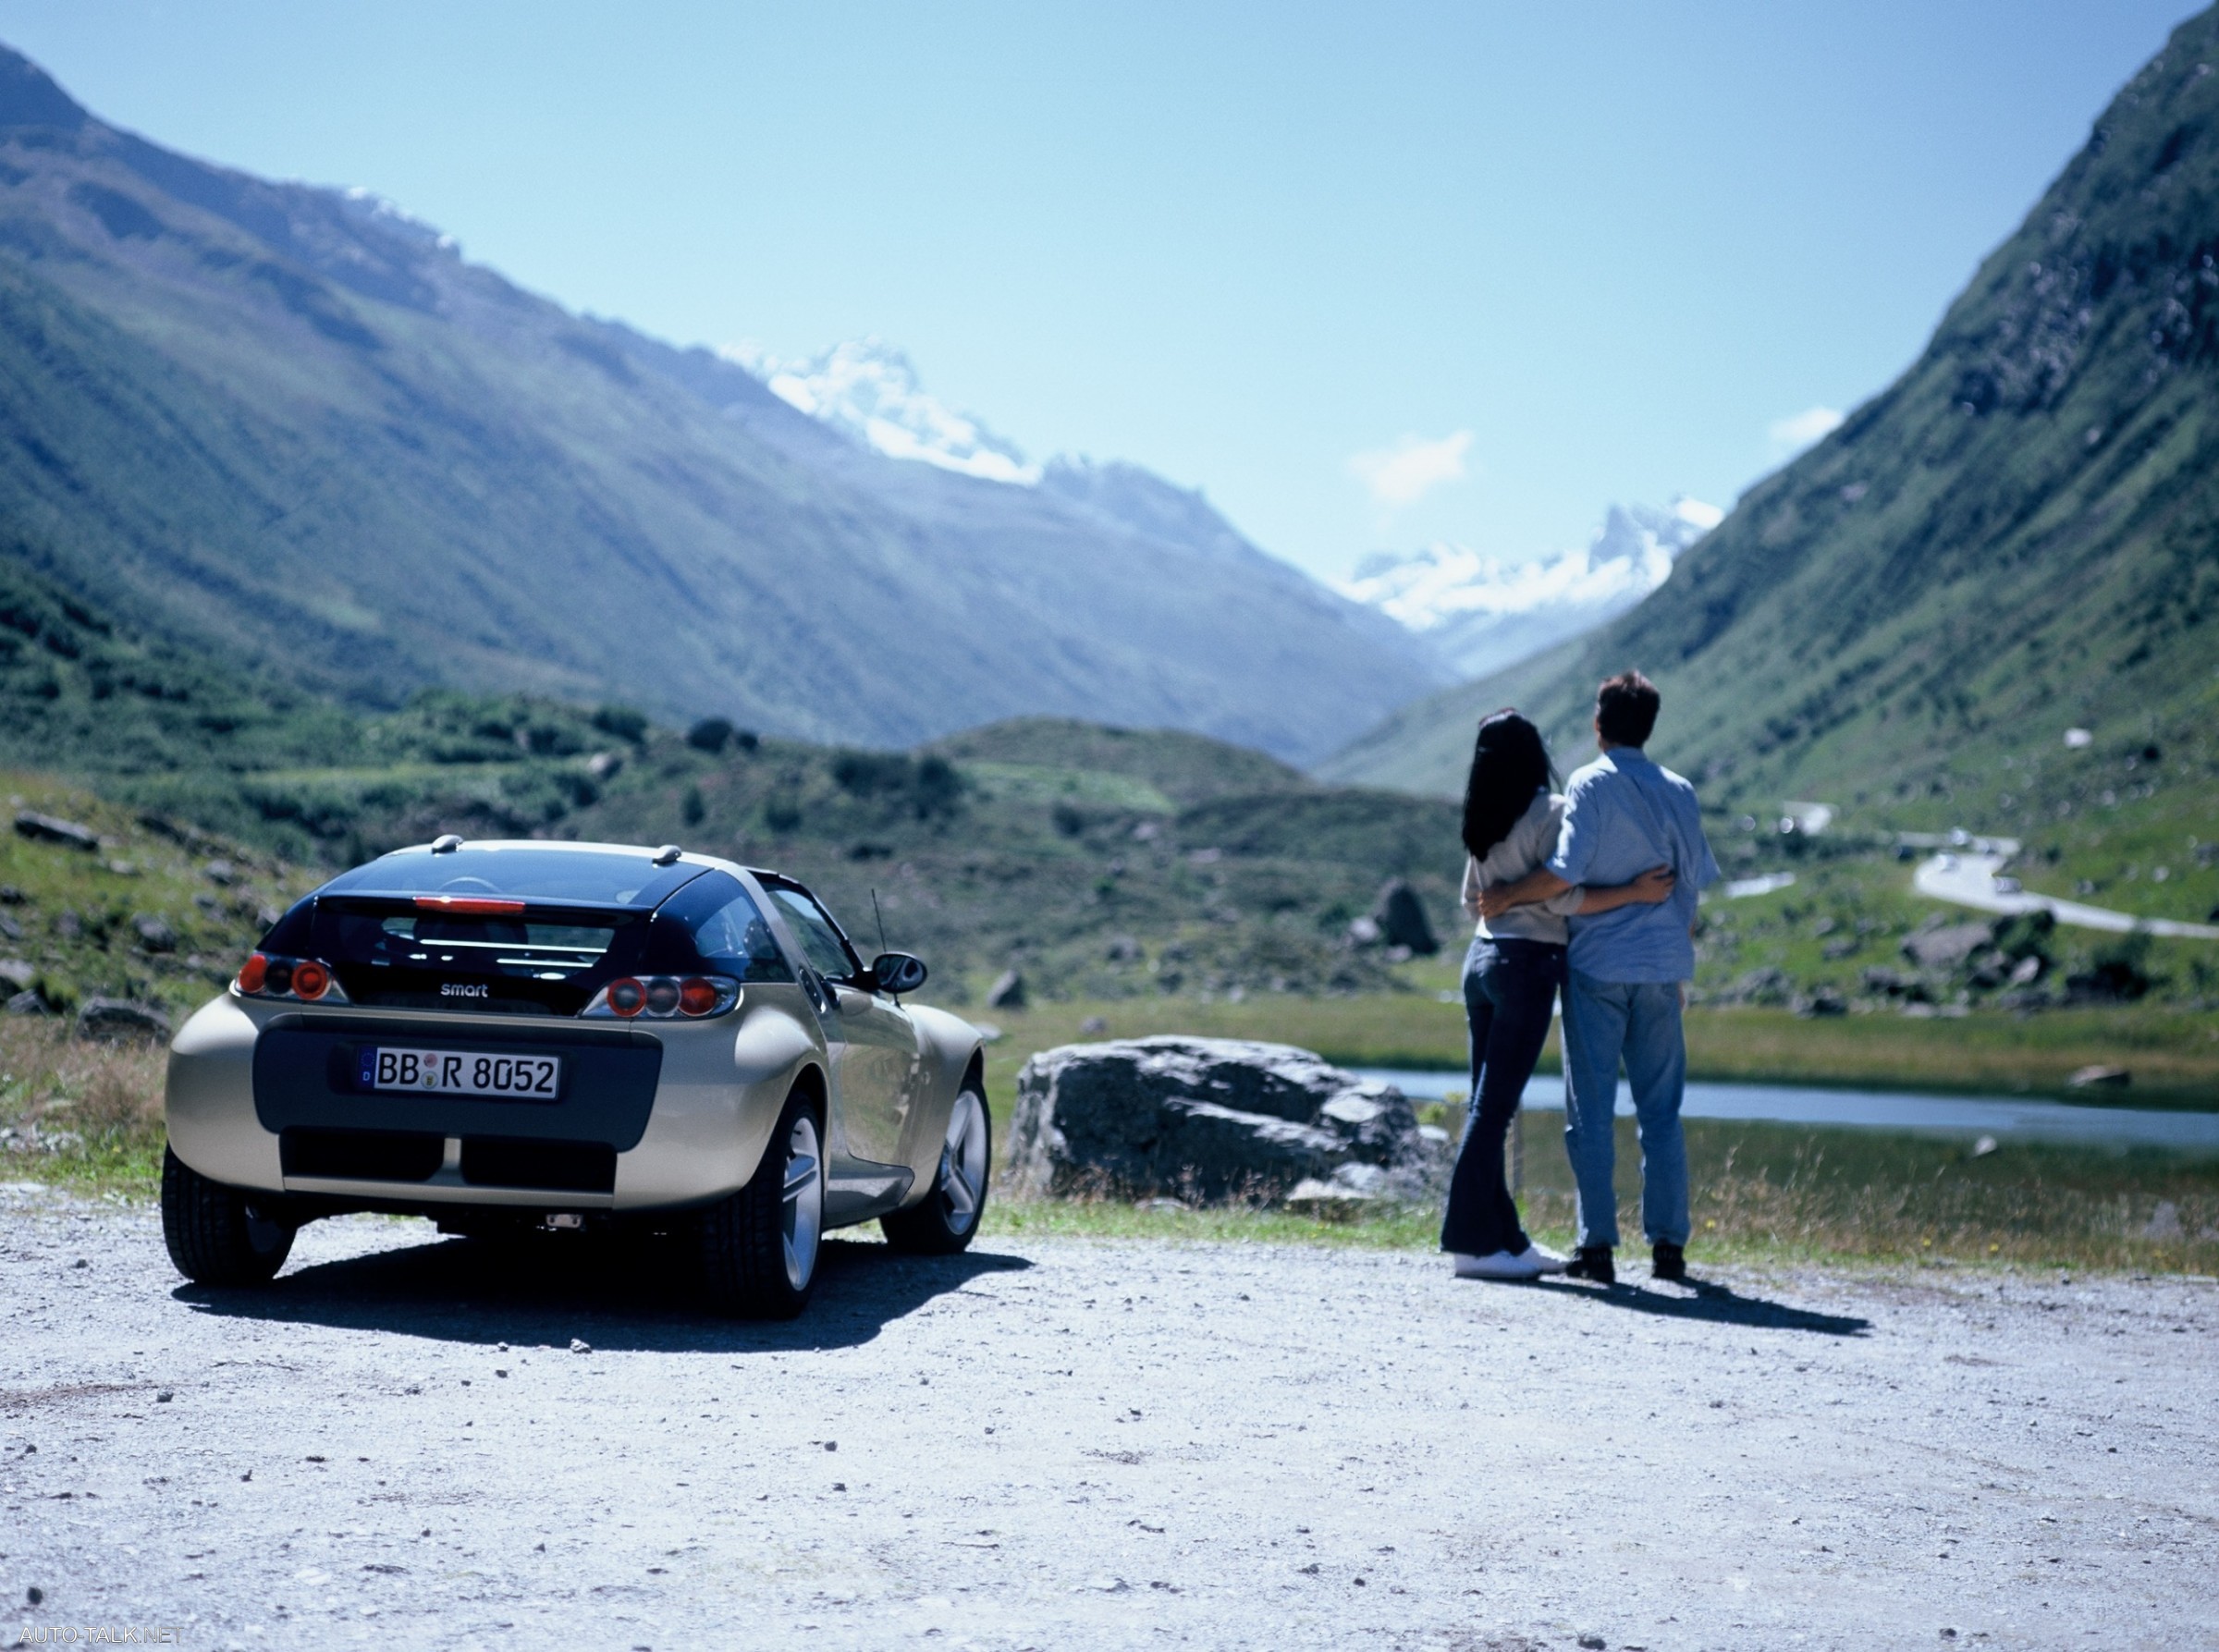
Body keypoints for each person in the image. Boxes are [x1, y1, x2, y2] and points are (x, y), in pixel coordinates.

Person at [1479, 671, 1719, 1286]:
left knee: (1590, 1110)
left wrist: (1505, 895)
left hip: (1597, 969)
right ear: (1650, 725)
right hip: (1664, 969)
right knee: (1661, 1112)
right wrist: (1675, 956)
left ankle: (1599, 1246)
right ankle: (1669, 1248)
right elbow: (1689, 890)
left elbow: (1562, 877)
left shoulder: (1589, 784)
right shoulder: (1681, 791)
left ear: (1599, 724)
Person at [1442, 710, 1678, 1282]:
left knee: (1486, 1105)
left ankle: (1507, 1241)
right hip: (1526, 965)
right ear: (1533, 754)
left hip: (1480, 961)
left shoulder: (1480, 817)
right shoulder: (1550, 812)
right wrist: (1633, 893)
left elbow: (1473, 899)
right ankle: (1468, 1242)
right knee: (1493, 1111)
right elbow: (1565, 898)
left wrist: (1507, 901)